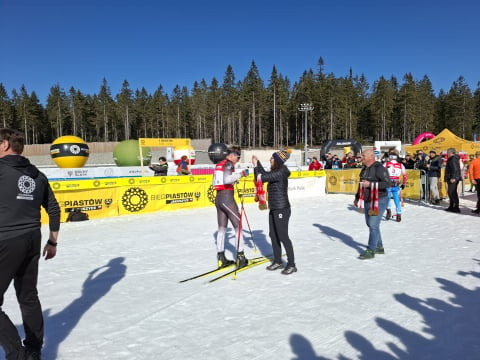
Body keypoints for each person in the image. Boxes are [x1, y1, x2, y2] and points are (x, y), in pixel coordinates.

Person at [0, 128, 61, 360]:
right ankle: (34, 350)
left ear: (5, 144)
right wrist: (52, 242)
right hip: (32, 240)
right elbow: (53, 208)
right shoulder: (37, 174)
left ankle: (18, 354)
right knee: (28, 296)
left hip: (6, 240)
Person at [252, 149, 296, 275]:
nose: (270, 160)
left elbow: (262, 178)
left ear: (277, 160)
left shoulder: (281, 172)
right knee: (273, 235)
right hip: (274, 208)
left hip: (282, 208)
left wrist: (255, 166)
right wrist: (258, 163)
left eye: (272, 158)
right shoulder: (276, 171)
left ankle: (292, 264)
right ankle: (277, 261)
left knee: (283, 236)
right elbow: (264, 174)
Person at [212, 146, 250, 268]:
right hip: (227, 198)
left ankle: (221, 258)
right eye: (238, 157)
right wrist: (241, 174)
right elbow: (227, 179)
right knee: (238, 225)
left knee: (222, 228)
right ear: (232, 155)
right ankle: (241, 257)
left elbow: (219, 181)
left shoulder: (220, 164)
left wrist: (234, 179)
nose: (238, 160)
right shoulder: (228, 164)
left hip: (218, 199)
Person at [353, 149, 392, 259]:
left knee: (373, 224)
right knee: (370, 224)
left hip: (379, 200)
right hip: (367, 199)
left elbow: (387, 183)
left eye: (363, 155)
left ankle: (371, 250)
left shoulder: (379, 168)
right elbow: (361, 184)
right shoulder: (364, 168)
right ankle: (379, 247)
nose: (361, 157)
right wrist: (357, 198)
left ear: (371, 156)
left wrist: (371, 184)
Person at [384, 149, 407, 222]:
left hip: (388, 183)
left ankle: (388, 211)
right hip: (396, 184)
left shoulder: (386, 164)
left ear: (390, 157)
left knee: (387, 198)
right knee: (396, 199)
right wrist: (404, 184)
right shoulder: (401, 165)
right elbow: (405, 176)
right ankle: (399, 214)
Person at [444, 147, 461, 213]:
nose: (447, 154)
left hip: (453, 178)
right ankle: (451, 206)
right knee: (450, 192)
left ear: (450, 152)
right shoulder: (452, 159)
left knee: (452, 192)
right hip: (452, 177)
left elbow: (454, 169)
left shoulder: (453, 159)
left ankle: (456, 207)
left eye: (447, 152)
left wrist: (453, 177)